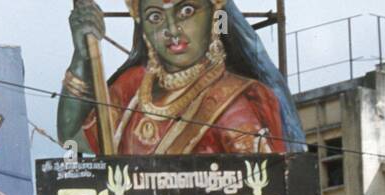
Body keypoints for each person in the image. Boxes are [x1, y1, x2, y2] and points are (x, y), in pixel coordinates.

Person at [58, 0, 302, 156]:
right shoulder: (132, 88)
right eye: (155, 17)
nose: (172, 30)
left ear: (214, 15)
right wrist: (82, 56)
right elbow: (72, 137)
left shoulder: (239, 102)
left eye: (186, 10)